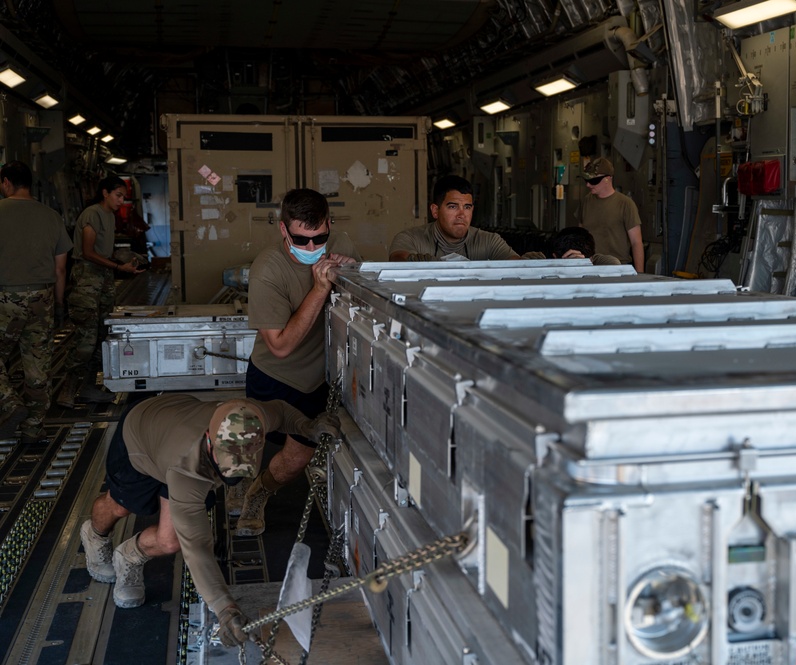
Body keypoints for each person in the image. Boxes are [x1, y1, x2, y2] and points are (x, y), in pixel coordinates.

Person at [78, 395, 341, 647]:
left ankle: (129, 555)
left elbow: (282, 411)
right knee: (119, 507)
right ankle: (95, 535)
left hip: (177, 418)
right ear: (210, 442)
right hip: (139, 438)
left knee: (169, 542)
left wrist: (307, 427)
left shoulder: (250, 416)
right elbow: (197, 546)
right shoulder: (186, 470)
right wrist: (224, 608)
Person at [236, 188, 361, 537]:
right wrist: (320, 289)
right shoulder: (267, 270)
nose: (311, 248)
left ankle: (259, 492)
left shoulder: (343, 245)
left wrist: (355, 275)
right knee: (249, 444)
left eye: (319, 238)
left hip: (319, 379)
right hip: (276, 375)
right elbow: (280, 346)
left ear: (329, 225)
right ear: (283, 230)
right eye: (301, 240)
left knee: (294, 460)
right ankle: (236, 483)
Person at [0, 161, 73, 442]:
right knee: (37, 362)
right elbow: (60, 269)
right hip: (41, 297)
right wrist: (58, 305)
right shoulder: (51, 216)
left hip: (5, 297)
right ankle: (33, 426)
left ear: (6, 182)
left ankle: (10, 403)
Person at [57, 175, 144, 408]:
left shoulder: (109, 216)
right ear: (105, 193)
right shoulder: (92, 214)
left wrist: (125, 261)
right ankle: (68, 388)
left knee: (101, 336)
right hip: (87, 279)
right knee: (85, 338)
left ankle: (88, 388)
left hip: (103, 278)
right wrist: (118, 267)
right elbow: (87, 251)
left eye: (124, 197)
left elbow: (103, 252)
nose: (121, 201)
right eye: (118, 195)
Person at [389, 175, 520, 261]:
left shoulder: (489, 241)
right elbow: (398, 259)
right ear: (435, 211)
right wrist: (413, 262)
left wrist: (530, 262)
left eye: (467, 207)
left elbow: (517, 265)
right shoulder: (411, 238)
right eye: (453, 207)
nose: (462, 214)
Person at [579, 157, 644, 272]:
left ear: (607, 179)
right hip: (590, 267)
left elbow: (636, 242)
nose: (588, 185)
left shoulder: (625, 204)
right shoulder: (586, 201)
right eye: (586, 180)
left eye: (593, 181)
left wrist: (639, 275)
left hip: (618, 267)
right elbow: (580, 235)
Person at [523, 226, 622, 265]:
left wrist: (585, 264)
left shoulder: (596, 262)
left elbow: (614, 263)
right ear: (554, 257)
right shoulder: (541, 258)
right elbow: (522, 263)